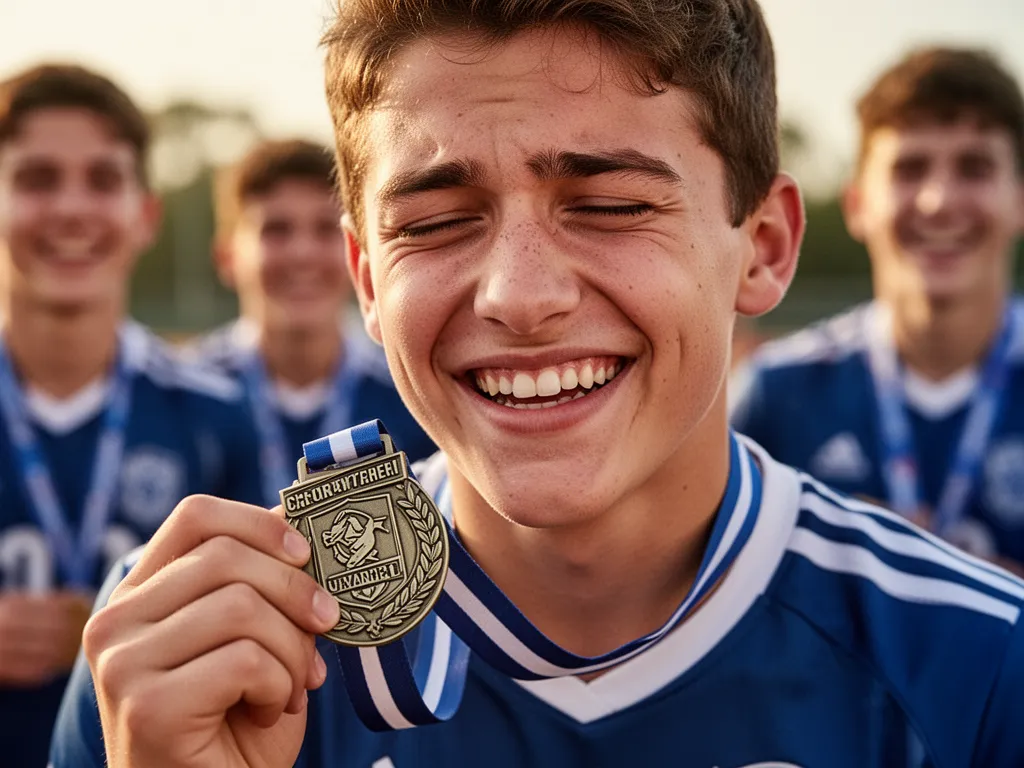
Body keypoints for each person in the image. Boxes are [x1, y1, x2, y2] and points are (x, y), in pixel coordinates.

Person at [53, 4, 1024, 767]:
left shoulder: (981, 667)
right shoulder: (172, 660)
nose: (519, 295)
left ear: (761, 249)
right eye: (434, 223)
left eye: (607, 205)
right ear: (368, 281)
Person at [0, 63, 262, 767]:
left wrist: (112, 628)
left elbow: (264, 640)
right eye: (37, 179)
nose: (72, 209)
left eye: (103, 180)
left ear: (145, 214)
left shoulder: (218, 414)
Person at [731, 47, 1024, 574]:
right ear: (857, 205)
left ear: (1020, 199)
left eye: (974, 168)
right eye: (909, 169)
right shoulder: (777, 394)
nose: (938, 200)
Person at [186, 138, 435, 511]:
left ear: (357, 254)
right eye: (277, 230)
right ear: (227, 256)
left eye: (325, 229)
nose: (303, 253)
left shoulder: (414, 392)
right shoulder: (187, 394)